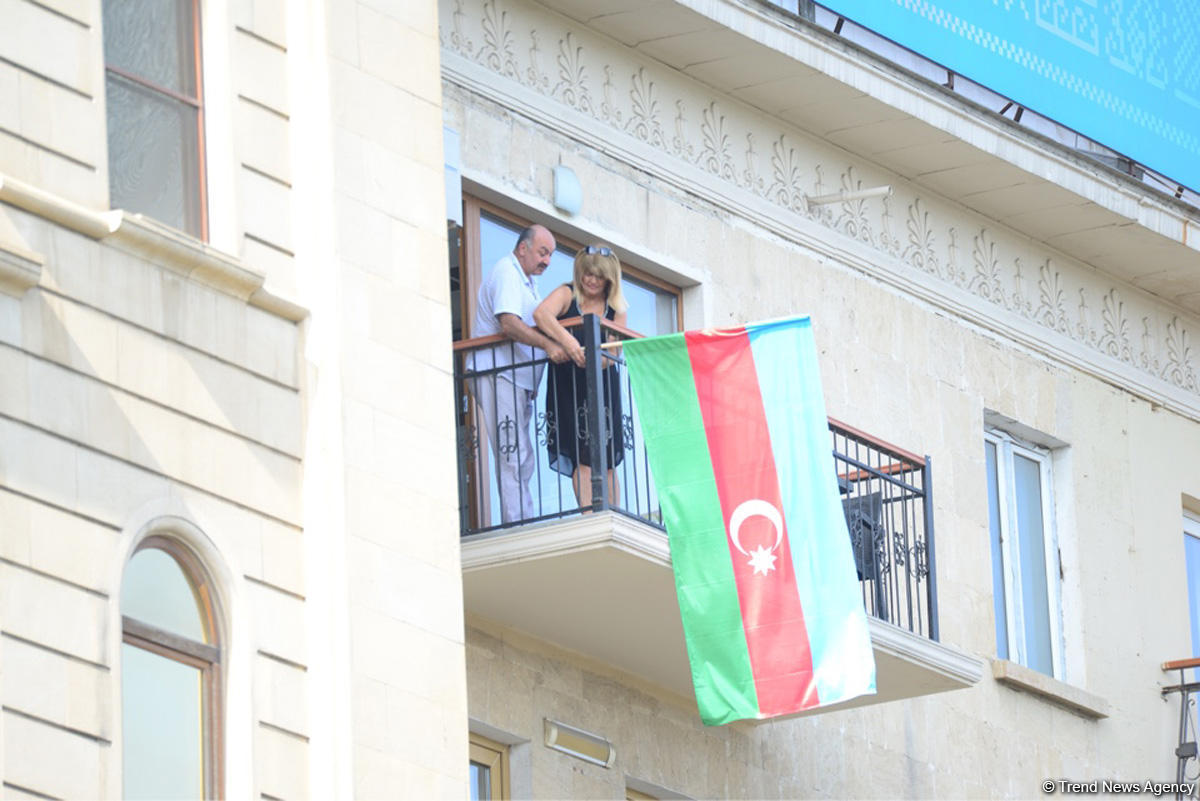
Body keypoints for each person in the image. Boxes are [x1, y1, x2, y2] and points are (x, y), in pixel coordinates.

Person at [471, 224, 569, 525]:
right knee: (511, 453)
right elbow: (509, 324)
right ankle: (517, 526)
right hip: (500, 374)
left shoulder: (526, 282)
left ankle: (523, 520)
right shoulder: (507, 271)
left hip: (516, 381)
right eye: (543, 252)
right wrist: (549, 345)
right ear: (523, 248)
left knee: (521, 455)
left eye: (550, 255)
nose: (547, 261)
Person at [533, 244, 628, 509]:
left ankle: (613, 516)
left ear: (609, 279)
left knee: (607, 460)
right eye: (587, 273)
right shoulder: (567, 293)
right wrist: (569, 343)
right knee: (581, 456)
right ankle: (591, 516)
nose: (592, 280)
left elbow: (614, 352)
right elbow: (541, 314)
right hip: (569, 386)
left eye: (599, 276)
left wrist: (593, 359)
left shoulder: (616, 307)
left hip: (603, 387)